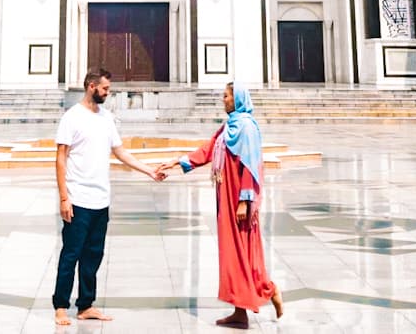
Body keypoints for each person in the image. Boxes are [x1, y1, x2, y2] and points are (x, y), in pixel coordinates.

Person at [169, 83, 282, 328]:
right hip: (226, 196)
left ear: (238, 98)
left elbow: (250, 165)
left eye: (227, 96)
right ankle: (252, 300)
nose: (224, 100)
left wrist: (244, 201)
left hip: (239, 200)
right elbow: (209, 149)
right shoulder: (229, 126)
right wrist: (178, 163)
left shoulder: (247, 128)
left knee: (240, 251)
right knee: (235, 253)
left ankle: (262, 293)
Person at [53, 68, 157, 325]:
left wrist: (149, 170)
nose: (108, 94)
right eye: (105, 89)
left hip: (101, 200)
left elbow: (121, 152)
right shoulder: (71, 118)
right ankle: (60, 306)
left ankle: (86, 305)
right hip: (78, 199)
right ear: (91, 86)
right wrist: (64, 198)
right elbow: (60, 158)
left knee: (94, 254)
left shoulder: (106, 118)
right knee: (71, 253)